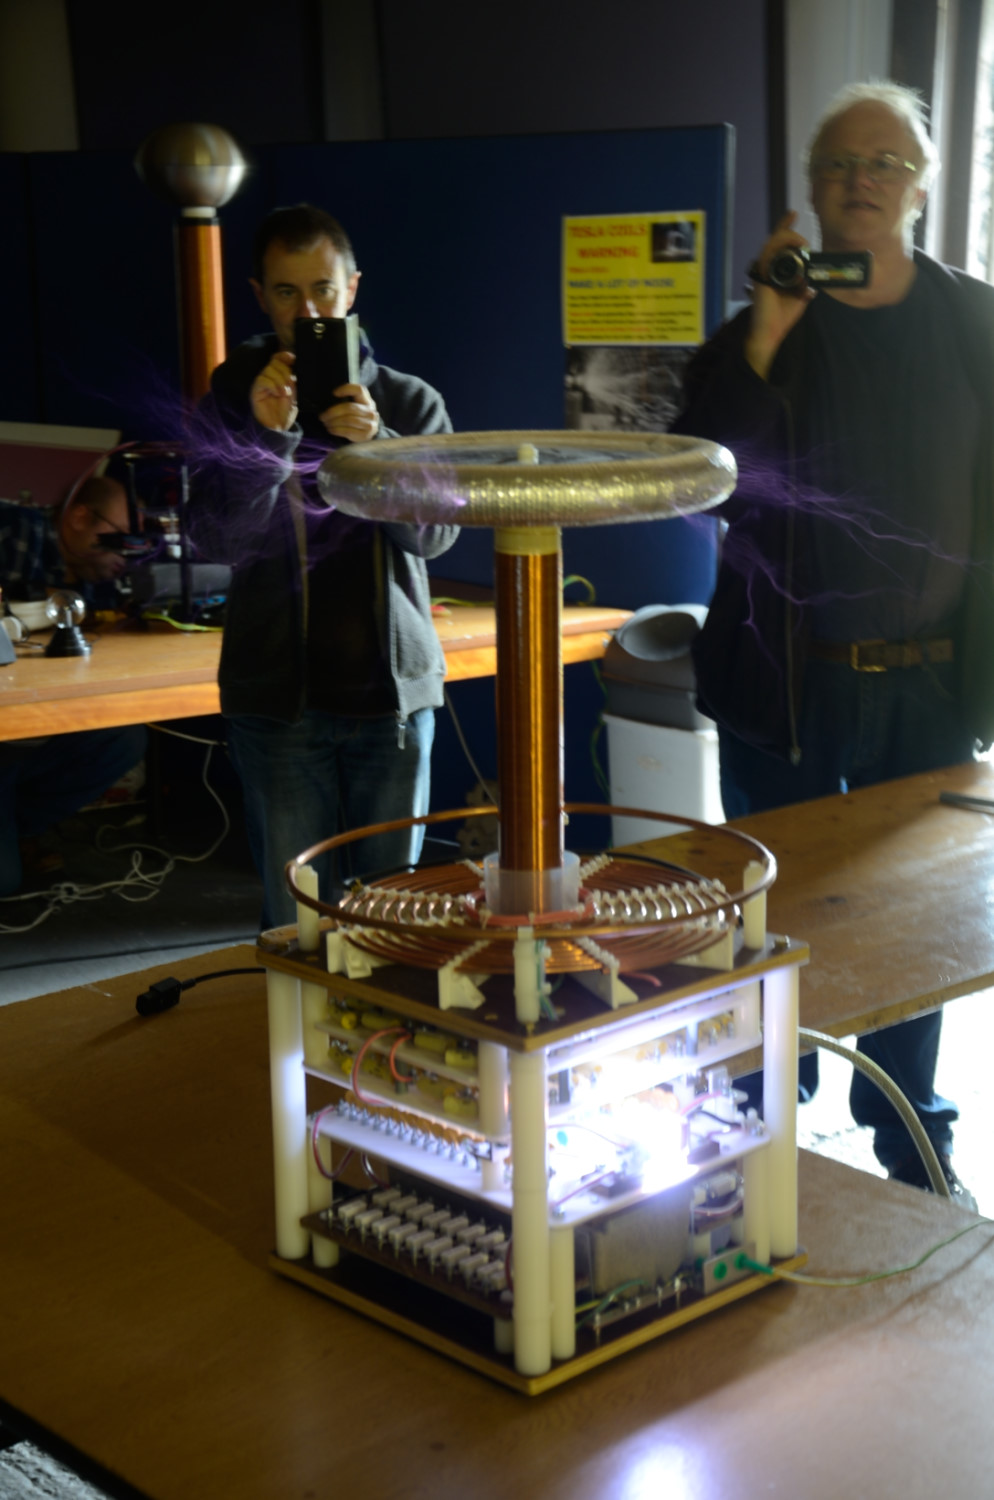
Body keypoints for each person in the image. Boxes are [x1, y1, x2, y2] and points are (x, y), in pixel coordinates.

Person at [673, 81, 994, 1207]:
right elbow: (701, 475)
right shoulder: (766, 325)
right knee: (775, 917)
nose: (862, 181)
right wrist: (766, 334)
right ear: (810, 188)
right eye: (839, 164)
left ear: (921, 188)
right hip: (788, 684)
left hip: (933, 686)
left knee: (920, 925)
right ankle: (761, 1135)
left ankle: (911, 1138)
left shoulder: (976, 322)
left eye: (885, 163)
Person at [188, 204, 458, 929]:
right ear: (259, 295)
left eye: (322, 290)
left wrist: (379, 449)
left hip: (392, 706)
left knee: (393, 920)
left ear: (352, 288)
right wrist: (266, 443)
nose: (307, 311)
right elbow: (216, 541)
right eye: (286, 292)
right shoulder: (230, 399)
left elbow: (435, 538)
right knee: (296, 923)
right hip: (279, 706)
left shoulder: (409, 402)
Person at [0, 476, 147, 893]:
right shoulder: (18, 528)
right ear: (79, 517)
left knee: (122, 738)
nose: (123, 551)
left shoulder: (88, 571)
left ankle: (17, 829)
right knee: (5, 883)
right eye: (115, 536)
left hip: (25, 738)